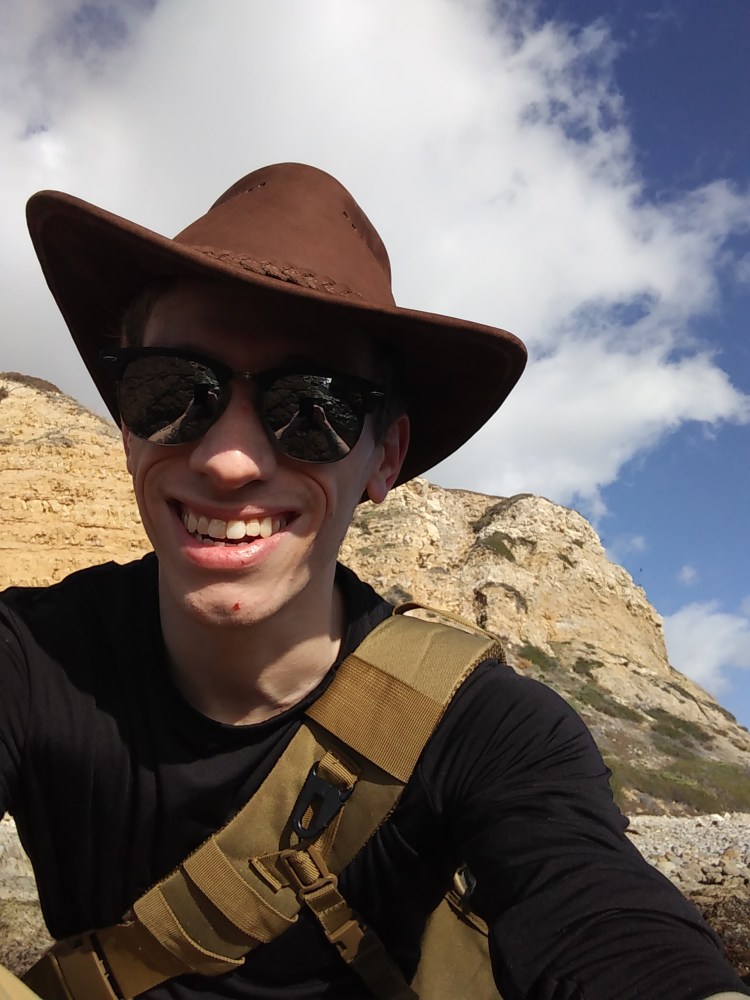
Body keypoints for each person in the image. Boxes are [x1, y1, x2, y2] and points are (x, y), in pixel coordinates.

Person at [1, 162, 747, 1000]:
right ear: (127, 423)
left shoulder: (485, 728)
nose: (229, 460)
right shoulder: (29, 656)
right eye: (172, 390)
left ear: (384, 459)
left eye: (312, 407)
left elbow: (601, 914)